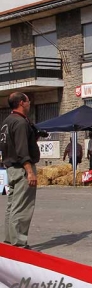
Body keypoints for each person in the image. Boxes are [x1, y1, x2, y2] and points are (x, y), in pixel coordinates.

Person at [1, 92, 41, 248]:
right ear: (22, 103)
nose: (30, 104)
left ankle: (10, 242)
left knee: (12, 206)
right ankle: (20, 245)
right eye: (28, 101)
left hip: (11, 168)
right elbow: (22, 149)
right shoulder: (20, 122)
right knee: (22, 207)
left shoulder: (7, 121)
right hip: (21, 169)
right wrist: (29, 171)